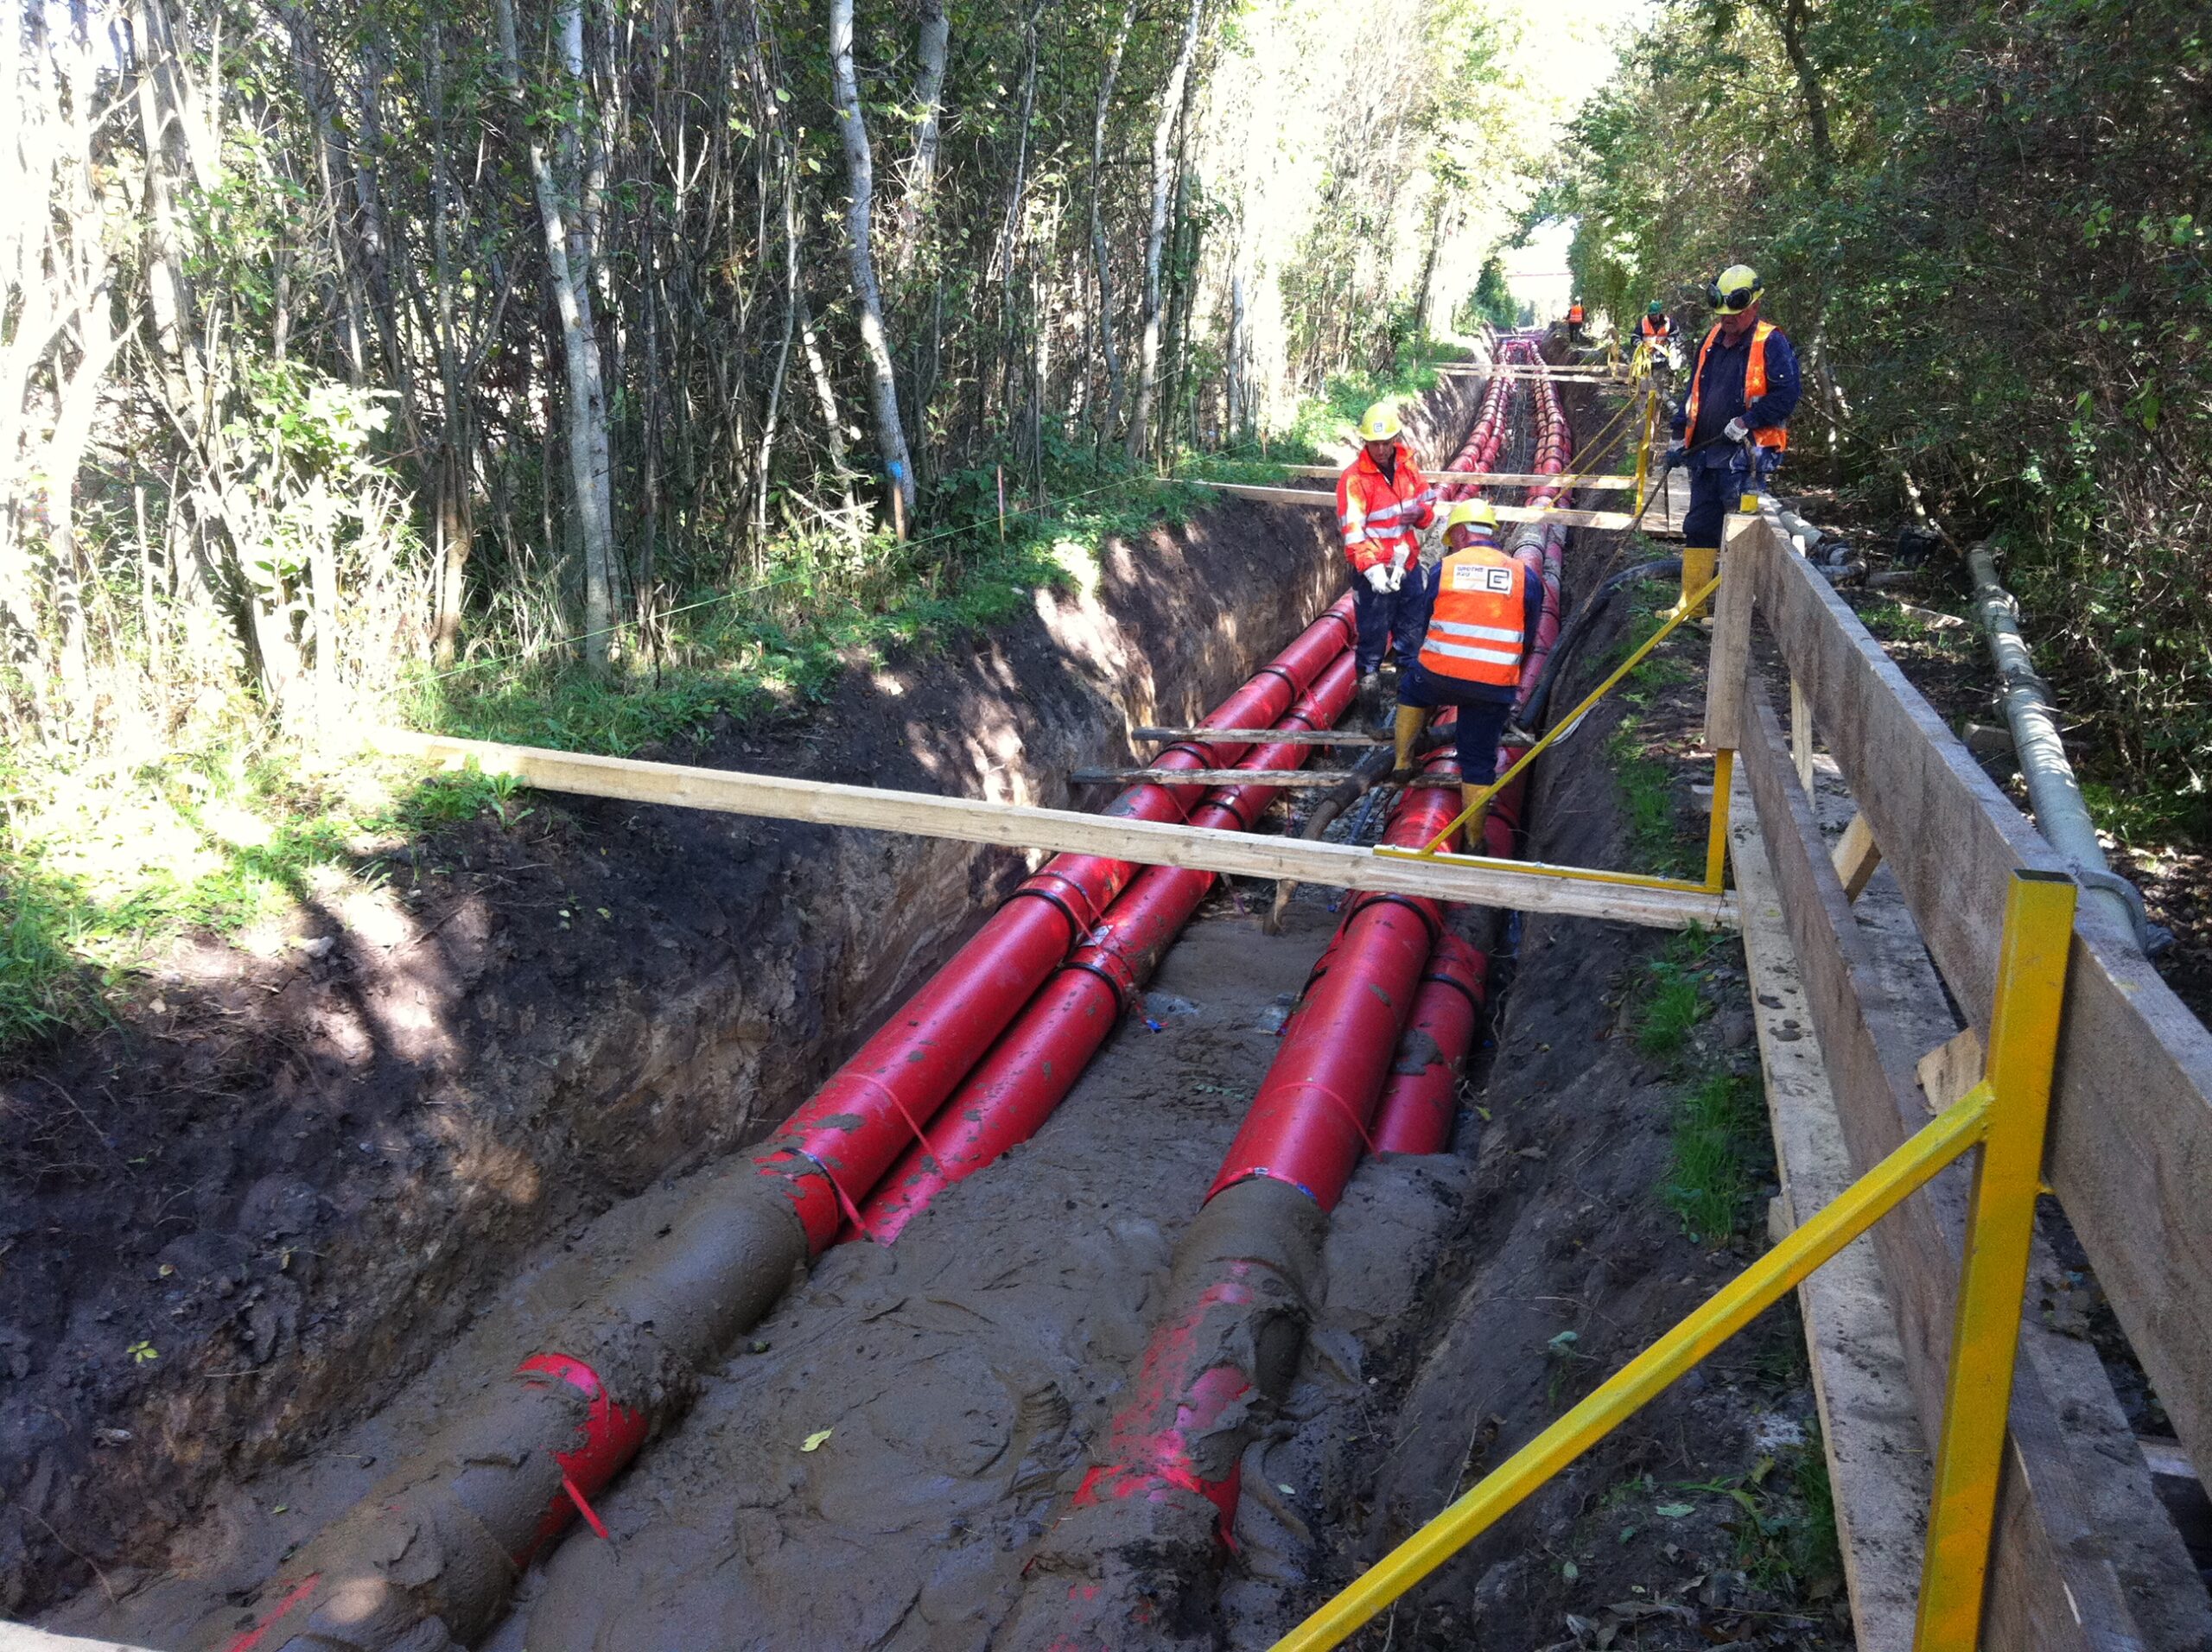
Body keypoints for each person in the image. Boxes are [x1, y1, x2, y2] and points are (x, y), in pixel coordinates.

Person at [1392, 498, 1542, 843]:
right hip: (1493, 685)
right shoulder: (1524, 574)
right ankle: (1475, 841)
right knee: (1478, 761)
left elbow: (1429, 618)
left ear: (1460, 533)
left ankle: (1402, 762)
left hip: (1437, 675)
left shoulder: (1444, 568)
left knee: (1410, 689)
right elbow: (1530, 635)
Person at [1664, 264, 1801, 616]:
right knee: (1698, 526)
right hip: (1706, 454)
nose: (1728, 320)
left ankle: (1732, 616)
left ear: (1754, 306)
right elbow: (1692, 391)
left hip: (1745, 456)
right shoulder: (1711, 340)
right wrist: (1678, 437)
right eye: (1723, 313)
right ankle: (1692, 605)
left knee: (1738, 535)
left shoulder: (1771, 342)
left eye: (1735, 314)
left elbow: (1786, 395)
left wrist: (1747, 421)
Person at [1336, 401, 1436, 726]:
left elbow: (1426, 510)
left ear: (1395, 438)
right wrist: (1370, 566)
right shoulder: (1354, 480)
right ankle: (1372, 718)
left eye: (1385, 442)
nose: (1380, 449)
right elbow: (1352, 532)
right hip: (1374, 576)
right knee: (1372, 644)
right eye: (1373, 443)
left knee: (1410, 641)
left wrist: (1422, 514)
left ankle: (1409, 716)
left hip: (1406, 568)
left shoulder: (1408, 467)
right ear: (1364, 442)